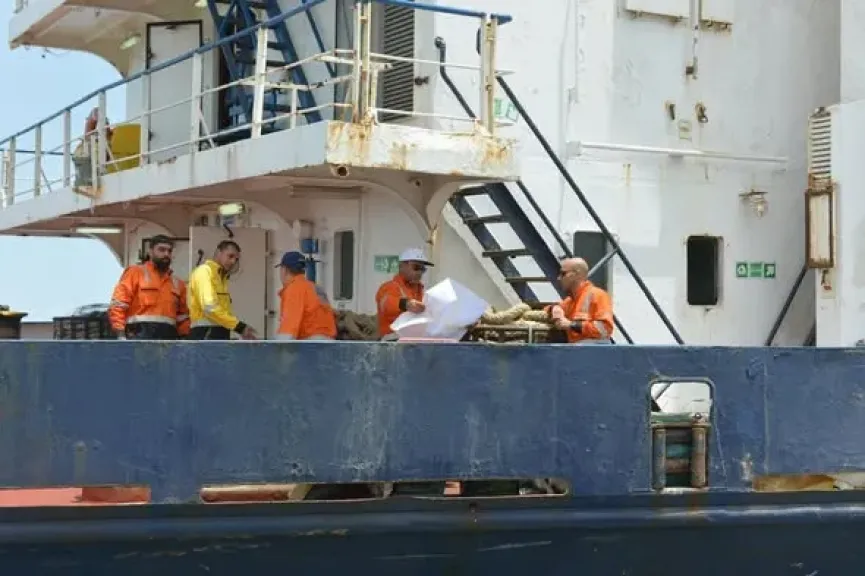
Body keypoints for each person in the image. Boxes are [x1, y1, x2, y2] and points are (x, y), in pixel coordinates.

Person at [108, 235, 190, 340]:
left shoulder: (178, 283)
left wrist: (184, 338)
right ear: (150, 252)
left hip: (168, 339)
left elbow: (183, 317)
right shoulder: (135, 273)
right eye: (161, 250)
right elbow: (118, 304)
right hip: (138, 336)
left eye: (169, 251)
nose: (166, 254)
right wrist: (120, 334)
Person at [187, 240, 258, 340]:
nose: (233, 262)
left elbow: (221, 312)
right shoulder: (204, 272)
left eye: (236, 259)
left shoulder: (221, 277)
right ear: (218, 252)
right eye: (230, 256)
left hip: (218, 332)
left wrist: (237, 327)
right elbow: (209, 307)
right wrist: (239, 327)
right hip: (205, 333)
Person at [546, 257, 614, 344]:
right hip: (577, 348)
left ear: (576, 274)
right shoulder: (571, 301)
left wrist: (571, 325)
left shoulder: (598, 295)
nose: (559, 278)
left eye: (563, 274)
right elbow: (545, 310)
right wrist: (554, 308)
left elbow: (604, 329)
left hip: (594, 349)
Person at [274, 251, 337, 340]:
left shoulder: (294, 289)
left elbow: (287, 332)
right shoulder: (314, 287)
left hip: (311, 344)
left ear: (284, 270)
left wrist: (277, 347)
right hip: (329, 342)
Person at [375, 247, 433, 339]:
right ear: (402, 266)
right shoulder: (388, 287)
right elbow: (386, 304)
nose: (420, 272)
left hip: (416, 340)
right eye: (416, 267)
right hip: (393, 340)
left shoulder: (422, 290)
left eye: (423, 269)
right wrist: (405, 304)